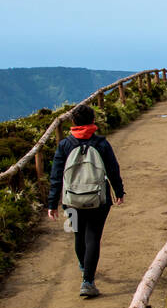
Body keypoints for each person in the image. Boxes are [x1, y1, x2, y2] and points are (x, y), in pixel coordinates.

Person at [46, 104, 125, 297]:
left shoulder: (64, 145)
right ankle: (88, 281)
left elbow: (56, 176)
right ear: (93, 121)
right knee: (93, 237)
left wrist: (52, 203)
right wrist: (119, 191)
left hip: (71, 201)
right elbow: (113, 170)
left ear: (73, 122)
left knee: (78, 234)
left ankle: (84, 266)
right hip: (99, 199)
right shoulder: (101, 144)